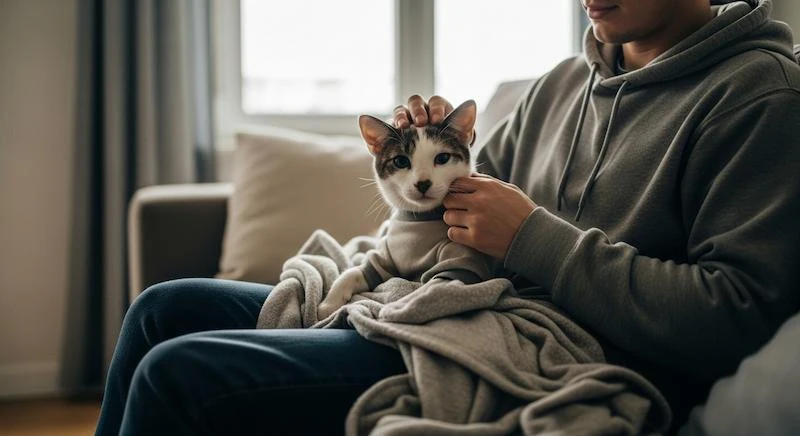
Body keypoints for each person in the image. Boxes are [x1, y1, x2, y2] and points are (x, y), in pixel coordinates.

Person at [95, 0, 800, 434]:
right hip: (465, 309)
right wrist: (422, 172)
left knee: (178, 372)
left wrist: (533, 238)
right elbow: (455, 223)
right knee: (162, 310)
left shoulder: (760, 97)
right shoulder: (563, 83)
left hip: (545, 357)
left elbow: (736, 315)